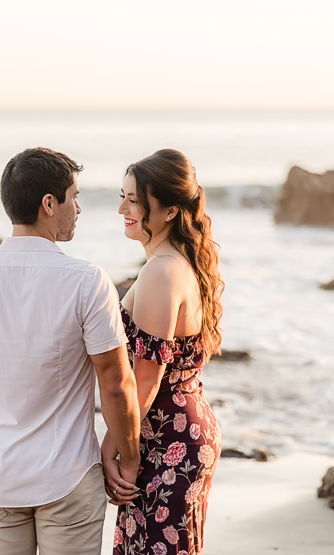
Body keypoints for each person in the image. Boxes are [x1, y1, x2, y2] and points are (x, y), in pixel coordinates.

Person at [0, 147, 142, 555]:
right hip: (67, 477)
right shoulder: (87, 281)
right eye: (74, 196)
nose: (79, 208)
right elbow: (116, 383)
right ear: (49, 205)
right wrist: (129, 456)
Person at [104, 148, 224, 555]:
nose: (122, 207)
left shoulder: (161, 270)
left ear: (169, 210)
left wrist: (116, 448)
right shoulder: (178, 263)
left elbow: (146, 378)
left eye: (134, 200)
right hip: (180, 432)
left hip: (168, 443)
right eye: (122, 196)